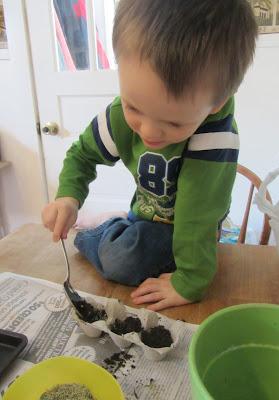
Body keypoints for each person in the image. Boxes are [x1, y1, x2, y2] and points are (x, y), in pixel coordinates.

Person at [42, 0, 258, 311]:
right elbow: (83, 154)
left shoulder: (215, 139)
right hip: (147, 215)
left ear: (218, 101)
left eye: (174, 122)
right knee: (125, 254)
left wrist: (190, 281)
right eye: (134, 107)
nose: (150, 131)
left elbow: (198, 219)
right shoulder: (120, 113)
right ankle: (111, 227)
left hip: (189, 224)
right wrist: (68, 197)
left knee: (124, 260)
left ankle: (111, 228)